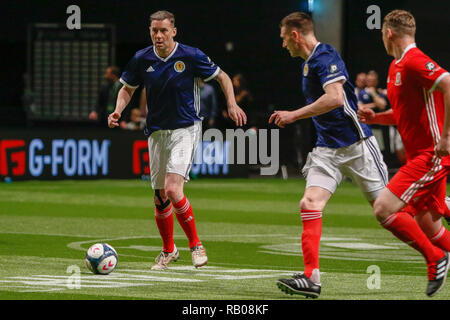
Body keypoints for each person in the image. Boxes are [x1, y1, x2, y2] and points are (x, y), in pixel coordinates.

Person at [108, 10, 247, 270]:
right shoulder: (142, 58)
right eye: (154, 31)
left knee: (173, 189)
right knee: (160, 196)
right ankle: (168, 250)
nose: (158, 36)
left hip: (186, 128)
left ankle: (196, 245)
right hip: (157, 131)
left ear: (174, 31)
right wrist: (118, 110)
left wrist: (231, 103)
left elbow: (222, 76)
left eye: (163, 31)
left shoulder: (190, 55)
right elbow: (127, 88)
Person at [269, 12, 388, 298]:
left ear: (295, 35)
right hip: (327, 149)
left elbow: (335, 98)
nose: (284, 45)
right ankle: (312, 278)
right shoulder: (309, 64)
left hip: (356, 145)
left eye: (285, 39)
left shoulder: (325, 56)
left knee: (389, 211)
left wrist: (294, 115)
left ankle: (442, 206)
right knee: (309, 203)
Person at [358, 9, 450, 297]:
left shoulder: (413, 60)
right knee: (428, 224)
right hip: (420, 157)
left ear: (389, 34)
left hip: (431, 156)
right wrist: (376, 118)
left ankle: (436, 259)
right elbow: (402, 115)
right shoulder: (396, 66)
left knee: (383, 208)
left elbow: (448, 83)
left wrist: (446, 136)